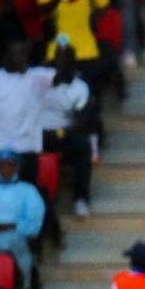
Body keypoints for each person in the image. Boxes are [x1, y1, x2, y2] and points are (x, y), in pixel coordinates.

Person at [0, 40, 64, 184]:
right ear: (6, 56)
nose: (22, 57)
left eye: (24, 54)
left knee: (27, 193)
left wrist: (61, 60)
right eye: (17, 53)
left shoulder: (37, 77)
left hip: (28, 150)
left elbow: (60, 78)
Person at [40, 45, 94, 218]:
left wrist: (59, 133)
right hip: (34, 133)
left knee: (83, 146)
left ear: (73, 62)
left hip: (62, 134)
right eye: (59, 59)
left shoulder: (81, 87)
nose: (61, 64)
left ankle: (81, 200)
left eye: (66, 59)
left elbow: (80, 121)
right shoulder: (40, 80)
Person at [0, 152, 46, 289]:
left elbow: (34, 221)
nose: (6, 169)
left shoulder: (28, 190)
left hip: (15, 233)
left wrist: (10, 226)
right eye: (2, 165)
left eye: (10, 165)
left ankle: (24, 285)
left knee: (7, 240)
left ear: (17, 168)